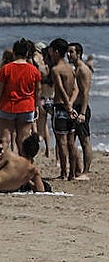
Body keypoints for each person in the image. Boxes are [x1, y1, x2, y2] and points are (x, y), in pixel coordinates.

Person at [0, 38, 41, 154]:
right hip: (26, 106)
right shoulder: (34, 70)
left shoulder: (6, 69)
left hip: (7, 106)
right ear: (27, 53)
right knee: (23, 140)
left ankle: (2, 164)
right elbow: (37, 91)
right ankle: (23, 166)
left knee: (4, 139)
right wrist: (36, 107)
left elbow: (0, 90)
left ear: (14, 53)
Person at [46, 38, 79, 180]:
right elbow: (76, 89)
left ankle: (64, 173)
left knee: (62, 142)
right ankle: (72, 173)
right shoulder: (70, 68)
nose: (51, 54)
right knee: (71, 142)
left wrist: (67, 105)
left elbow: (60, 88)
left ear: (57, 52)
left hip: (60, 107)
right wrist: (71, 104)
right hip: (70, 107)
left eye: (52, 51)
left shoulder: (55, 69)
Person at [67, 42, 93, 180]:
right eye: (68, 52)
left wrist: (82, 113)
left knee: (85, 141)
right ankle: (77, 169)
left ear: (79, 54)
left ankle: (86, 172)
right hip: (75, 108)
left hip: (81, 109)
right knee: (72, 140)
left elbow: (85, 93)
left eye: (71, 52)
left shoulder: (83, 69)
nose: (68, 54)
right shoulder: (75, 68)